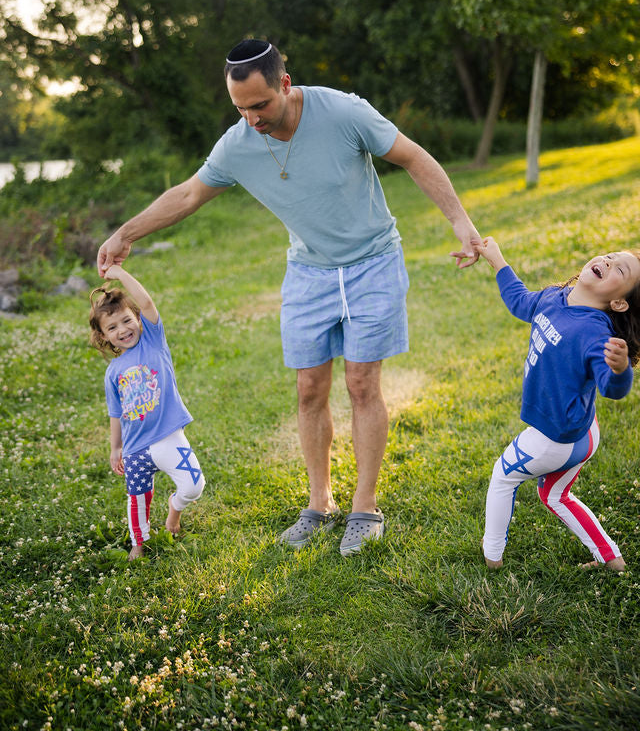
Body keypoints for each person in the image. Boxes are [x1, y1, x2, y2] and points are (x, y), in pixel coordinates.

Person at [97, 39, 480, 556]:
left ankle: (364, 510)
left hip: (373, 261)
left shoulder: (342, 111)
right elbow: (188, 193)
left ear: (284, 83)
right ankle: (318, 505)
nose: (252, 118)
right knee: (308, 389)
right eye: (240, 108)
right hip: (309, 272)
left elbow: (413, 157)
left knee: (362, 383)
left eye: (260, 105)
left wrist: (461, 223)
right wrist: (127, 233)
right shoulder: (238, 145)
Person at [474, 236, 640, 571]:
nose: (607, 261)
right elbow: (521, 302)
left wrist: (621, 370)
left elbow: (611, 388)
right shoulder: (554, 297)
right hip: (584, 429)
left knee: (502, 476)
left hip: (557, 439)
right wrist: (498, 261)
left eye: (619, 269)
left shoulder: (595, 335)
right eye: (609, 256)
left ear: (619, 303)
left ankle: (491, 559)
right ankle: (612, 560)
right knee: (554, 495)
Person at [89, 265, 205, 560]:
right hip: (135, 447)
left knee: (194, 487)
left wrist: (118, 273)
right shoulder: (113, 371)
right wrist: (116, 448)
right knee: (137, 499)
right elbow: (116, 413)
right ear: (104, 336)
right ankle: (138, 543)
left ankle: (174, 512)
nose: (122, 330)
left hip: (168, 437)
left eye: (127, 321)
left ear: (138, 319)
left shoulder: (154, 341)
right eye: (112, 328)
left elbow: (148, 302)